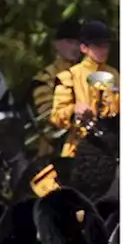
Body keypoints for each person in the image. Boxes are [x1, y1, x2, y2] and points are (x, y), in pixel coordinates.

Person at [50, 20, 120, 160]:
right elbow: (56, 116)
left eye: (106, 46)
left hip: (113, 146)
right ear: (84, 48)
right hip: (80, 147)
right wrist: (74, 110)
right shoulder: (70, 76)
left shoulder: (115, 75)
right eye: (98, 46)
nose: (104, 50)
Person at [29, 20, 82, 157]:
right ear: (56, 44)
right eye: (70, 42)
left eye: (78, 43)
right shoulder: (45, 78)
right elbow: (48, 115)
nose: (75, 47)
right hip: (56, 150)